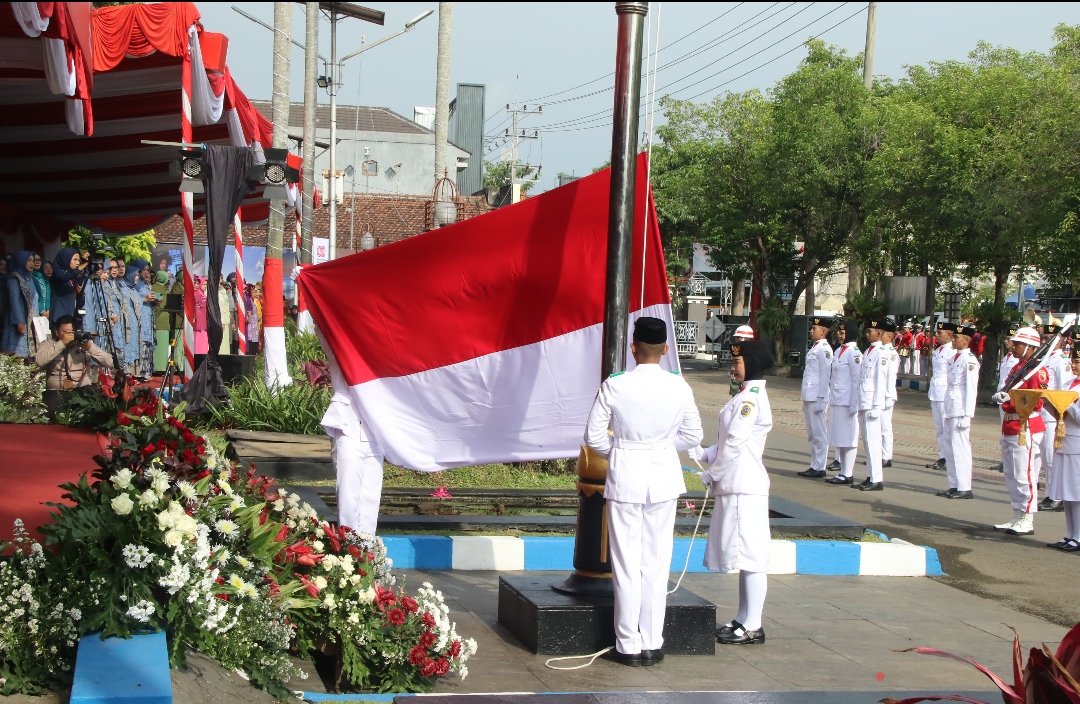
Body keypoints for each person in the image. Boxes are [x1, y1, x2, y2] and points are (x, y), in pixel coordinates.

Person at [584, 316, 703, 666]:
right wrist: (663, 447)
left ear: (633, 348)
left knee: (626, 563)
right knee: (656, 560)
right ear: (666, 350)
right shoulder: (679, 386)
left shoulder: (616, 384)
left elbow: (593, 438)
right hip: (664, 476)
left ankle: (627, 644)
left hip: (626, 477)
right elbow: (693, 436)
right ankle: (652, 641)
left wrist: (622, 451)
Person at [689, 339, 774, 646]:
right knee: (742, 554)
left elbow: (736, 445)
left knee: (751, 556)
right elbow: (729, 442)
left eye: (737, 362)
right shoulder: (744, 396)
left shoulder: (751, 399)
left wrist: (712, 474)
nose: (733, 366)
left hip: (743, 484)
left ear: (749, 364)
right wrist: (704, 453)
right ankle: (743, 618)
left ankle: (753, 624)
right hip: (736, 483)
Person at [991, 326, 1049, 535]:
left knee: (1024, 474)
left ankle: (1027, 517)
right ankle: (1017, 514)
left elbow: (1036, 401)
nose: (1013, 346)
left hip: (1026, 425)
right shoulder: (1018, 368)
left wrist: (1012, 399)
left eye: (1018, 344)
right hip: (1010, 424)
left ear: (1029, 347)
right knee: (1011, 474)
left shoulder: (1037, 370)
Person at [322, 356, 386, 537]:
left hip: (375, 427)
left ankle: (367, 547)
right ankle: (349, 546)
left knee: (371, 494)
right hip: (348, 425)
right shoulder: (341, 343)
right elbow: (326, 333)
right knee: (348, 493)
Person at [937, 323, 980, 499]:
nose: (953, 339)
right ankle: (954, 484)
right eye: (953, 336)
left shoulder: (969, 361)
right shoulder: (954, 357)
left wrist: (967, 415)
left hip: (960, 409)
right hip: (950, 406)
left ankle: (964, 486)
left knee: (960, 448)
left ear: (966, 340)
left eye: (956, 337)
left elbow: (971, 389)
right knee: (949, 447)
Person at [1045, 341, 1080, 552]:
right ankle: (1070, 534)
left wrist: (1067, 404)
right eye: (1074, 361)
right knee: (1067, 493)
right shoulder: (1070, 384)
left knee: (1077, 492)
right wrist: (1050, 403)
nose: (1074, 365)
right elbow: (1061, 413)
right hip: (1064, 440)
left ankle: (1079, 536)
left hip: (1077, 443)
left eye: (1077, 361)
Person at [826, 319, 862, 485]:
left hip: (848, 401)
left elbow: (856, 380)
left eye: (843, 333)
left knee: (849, 437)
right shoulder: (840, 350)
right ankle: (842, 471)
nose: (840, 336)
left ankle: (847, 473)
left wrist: (855, 404)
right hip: (837, 399)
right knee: (839, 437)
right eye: (839, 333)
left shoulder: (854, 353)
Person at [1038, 317, 1068, 512]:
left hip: (1053, 415)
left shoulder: (1060, 361)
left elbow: (1064, 390)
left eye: (1051, 337)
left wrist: (1061, 417)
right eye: (1045, 337)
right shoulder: (1044, 357)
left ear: (1060, 340)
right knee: (1044, 456)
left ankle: (1055, 496)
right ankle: (1050, 493)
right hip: (1041, 411)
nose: (1046, 340)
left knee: (1051, 457)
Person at [856, 319, 890, 491]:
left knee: (874, 442)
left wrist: (877, 406)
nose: (867, 333)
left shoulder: (881, 353)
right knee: (868, 442)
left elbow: (881, 381)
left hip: (872, 403)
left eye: (870, 331)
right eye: (867, 330)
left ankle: (876, 479)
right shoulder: (868, 351)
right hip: (864, 401)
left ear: (879, 333)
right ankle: (870, 475)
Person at [797, 316, 833, 479]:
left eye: (814, 329)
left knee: (819, 433)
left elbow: (826, 376)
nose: (811, 331)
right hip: (809, 395)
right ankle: (814, 464)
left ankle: (820, 466)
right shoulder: (815, 348)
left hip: (817, 397)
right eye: (811, 328)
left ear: (823, 331)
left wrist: (821, 398)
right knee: (812, 433)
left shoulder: (825, 350)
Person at [925, 321, 957, 470]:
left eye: (940, 333)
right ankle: (942, 456)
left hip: (945, 393)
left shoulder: (952, 352)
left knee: (947, 428)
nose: (937, 335)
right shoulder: (938, 351)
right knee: (939, 428)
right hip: (936, 392)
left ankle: (949, 458)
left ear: (949, 335)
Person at [2, 251, 39, 358]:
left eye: (33, 261)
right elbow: (14, 300)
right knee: (17, 354)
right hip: (19, 323)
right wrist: (19, 321)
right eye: (29, 261)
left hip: (31, 321)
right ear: (21, 261)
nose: (32, 263)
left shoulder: (30, 279)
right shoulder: (15, 279)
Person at [878, 321, 900, 469]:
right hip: (879, 394)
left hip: (886, 394)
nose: (880, 335)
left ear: (889, 336)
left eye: (883, 333)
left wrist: (887, 396)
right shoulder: (879, 350)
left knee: (885, 427)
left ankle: (886, 456)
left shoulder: (891, 354)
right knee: (878, 427)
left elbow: (890, 378)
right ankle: (879, 454)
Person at [48, 247, 86, 325]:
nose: (78, 263)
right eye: (75, 259)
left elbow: (80, 303)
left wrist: (79, 293)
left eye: (78, 260)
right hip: (58, 318)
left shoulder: (73, 278)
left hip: (70, 317)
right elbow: (63, 278)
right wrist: (85, 264)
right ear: (66, 259)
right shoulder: (57, 273)